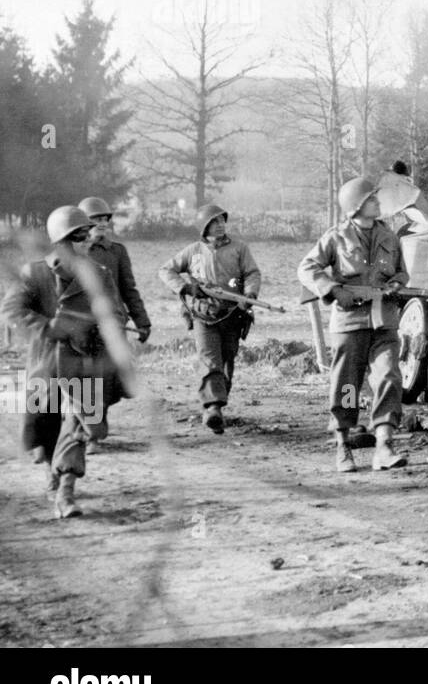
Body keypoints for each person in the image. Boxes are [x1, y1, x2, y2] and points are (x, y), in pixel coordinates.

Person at [1, 206, 118, 518]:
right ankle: (53, 476)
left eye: (85, 237)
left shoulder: (100, 274)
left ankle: (66, 489)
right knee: (45, 422)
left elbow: (115, 313)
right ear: (60, 241)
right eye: (76, 237)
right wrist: (48, 326)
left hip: (86, 361)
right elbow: (12, 310)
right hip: (46, 359)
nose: (84, 242)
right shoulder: (35, 272)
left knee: (81, 424)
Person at [298, 176, 409, 473]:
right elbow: (307, 267)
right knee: (348, 385)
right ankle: (343, 444)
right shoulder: (336, 237)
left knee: (389, 378)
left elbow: (402, 272)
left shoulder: (390, 237)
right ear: (356, 206)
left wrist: (397, 283)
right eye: (372, 198)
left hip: (383, 319)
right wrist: (334, 290)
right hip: (350, 322)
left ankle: (384, 445)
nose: (378, 202)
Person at [158, 202, 261, 435]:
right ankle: (212, 407)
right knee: (209, 359)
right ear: (204, 228)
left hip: (233, 314)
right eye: (214, 222)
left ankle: (218, 404)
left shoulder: (240, 248)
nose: (219, 226)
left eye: (222, 221)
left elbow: (252, 273)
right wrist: (185, 288)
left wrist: (250, 295)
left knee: (227, 361)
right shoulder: (192, 251)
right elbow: (166, 270)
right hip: (202, 314)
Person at [80, 197, 152, 348]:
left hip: (114, 322)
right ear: (84, 221)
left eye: (105, 219)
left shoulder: (117, 251)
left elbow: (129, 290)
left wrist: (143, 322)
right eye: (97, 219)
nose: (103, 223)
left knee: (114, 370)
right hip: (82, 323)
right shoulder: (74, 252)